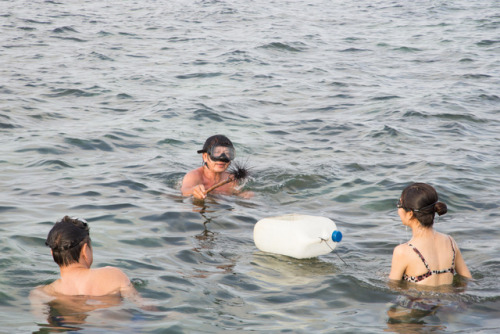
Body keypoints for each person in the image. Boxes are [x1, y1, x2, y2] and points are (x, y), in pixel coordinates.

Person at [31, 216, 139, 299]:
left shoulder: (42, 293)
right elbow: (144, 306)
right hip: (116, 326)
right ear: (85, 250)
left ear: (52, 253)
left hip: (73, 326)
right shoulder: (114, 275)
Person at [389, 183, 472, 286]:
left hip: (419, 301)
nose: (398, 210)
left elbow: (393, 287)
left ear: (410, 214)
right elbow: (467, 279)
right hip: (449, 301)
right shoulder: (450, 242)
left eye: (399, 204)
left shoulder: (403, 251)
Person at [181, 134, 252, 200]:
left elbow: (238, 194)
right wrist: (194, 191)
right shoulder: (194, 176)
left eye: (227, 153)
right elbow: (185, 190)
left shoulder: (231, 179)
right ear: (205, 156)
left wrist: (245, 195)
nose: (222, 158)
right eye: (217, 152)